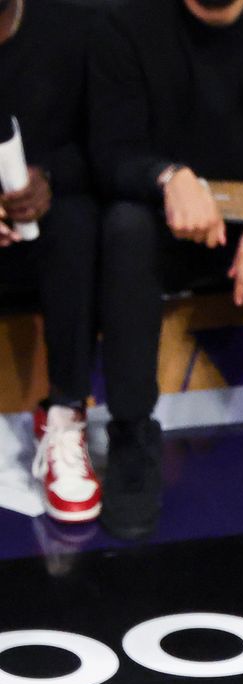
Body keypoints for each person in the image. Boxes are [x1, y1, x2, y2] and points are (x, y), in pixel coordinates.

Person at [88, 0, 243, 540]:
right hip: (180, 221)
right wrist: (166, 175)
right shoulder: (124, 21)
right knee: (124, 228)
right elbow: (109, 150)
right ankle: (131, 432)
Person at [0, 0, 102, 524]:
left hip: (45, 224)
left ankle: (65, 411)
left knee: (79, 220)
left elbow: (105, 146)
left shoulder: (73, 26)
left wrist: (48, 179)